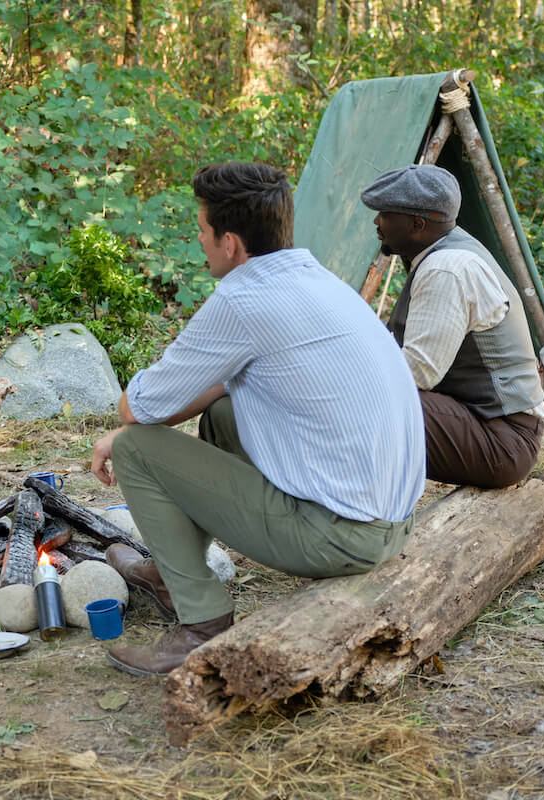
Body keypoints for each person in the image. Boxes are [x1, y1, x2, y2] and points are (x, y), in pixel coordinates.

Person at [89, 162, 425, 677]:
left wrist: (122, 431)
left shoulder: (244, 300)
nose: (197, 240)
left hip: (340, 537)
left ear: (230, 243)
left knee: (136, 447)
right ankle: (168, 570)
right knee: (224, 414)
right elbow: (220, 387)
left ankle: (201, 622)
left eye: (201, 230)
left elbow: (138, 406)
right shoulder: (315, 278)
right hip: (390, 522)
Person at [361, 164, 544, 489]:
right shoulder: (448, 249)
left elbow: (417, 374)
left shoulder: (446, 269)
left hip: (503, 440)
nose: (377, 222)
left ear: (417, 224)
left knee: (360, 402)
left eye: (385, 214)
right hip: (491, 425)